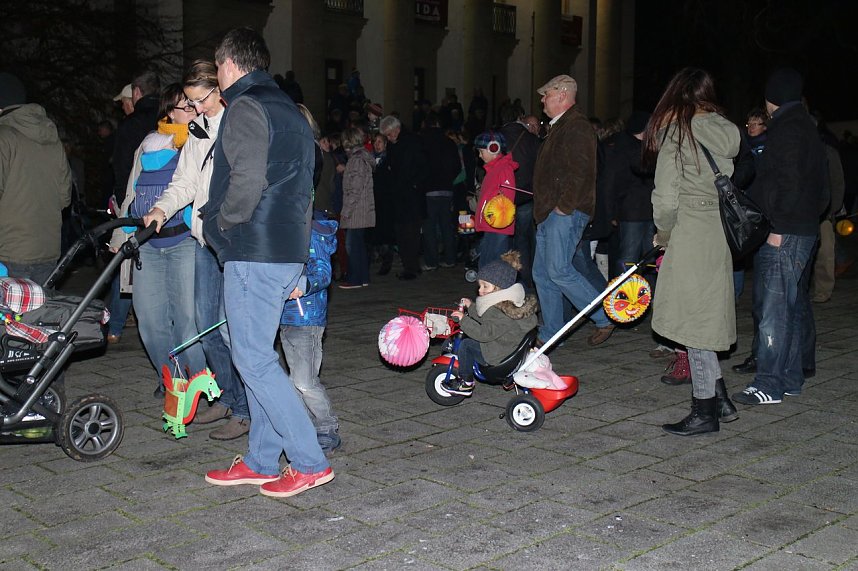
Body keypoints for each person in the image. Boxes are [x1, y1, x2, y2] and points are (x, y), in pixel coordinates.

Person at [201, 27, 332, 497]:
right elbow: (303, 191)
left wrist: (222, 223)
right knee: (257, 355)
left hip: (254, 249)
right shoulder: (291, 112)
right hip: (283, 249)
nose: (218, 76)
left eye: (217, 68)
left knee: (252, 358)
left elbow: (246, 181)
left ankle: (308, 460)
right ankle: (261, 458)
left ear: (230, 64)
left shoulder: (245, 107)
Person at [143, 60, 251, 440]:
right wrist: (161, 207)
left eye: (199, 100)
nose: (196, 109)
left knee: (232, 329)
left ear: (219, 87)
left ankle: (245, 409)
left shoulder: (240, 123)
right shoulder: (198, 129)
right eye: (189, 102)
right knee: (206, 329)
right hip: (205, 241)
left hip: (235, 242)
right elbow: (185, 181)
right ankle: (226, 396)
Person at [642, 67, 740, 436]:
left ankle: (704, 413)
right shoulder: (725, 129)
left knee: (694, 324)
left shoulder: (679, 133)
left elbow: (666, 196)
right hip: (716, 231)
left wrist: (663, 233)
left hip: (689, 232)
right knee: (706, 315)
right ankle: (721, 398)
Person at [733, 68, 828, 406]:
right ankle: (790, 377)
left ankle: (769, 384)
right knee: (791, 305)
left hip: (785, 231)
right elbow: (821, 189)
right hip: (802, 228)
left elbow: (787, 182)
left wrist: (778, 227)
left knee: (774, 309)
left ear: (771, 99)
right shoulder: (806, 128)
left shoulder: (786, 130)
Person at [110, 84, 204, 397]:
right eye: (185, 107)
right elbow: (131, 193)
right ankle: (172, 378)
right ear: (168, 113)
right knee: (150, 322)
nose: (193, 112)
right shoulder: (148, 146)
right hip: (147, 246)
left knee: (187, 321)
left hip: (184, 243)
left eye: (194, 106)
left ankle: (201, 381)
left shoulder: (199, 143)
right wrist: (119, 234)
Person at [531, 74, 615, 347]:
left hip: (563, 213)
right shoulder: (560, 127)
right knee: (543, 274)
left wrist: (563, 208)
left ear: (563, 94)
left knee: (559, 270)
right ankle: (552, 332)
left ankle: (603, 317)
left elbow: (581, 172)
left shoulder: (576, 126)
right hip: (550, 213)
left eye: (547, 94)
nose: (542, 100)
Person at [0, 72, 72, 285]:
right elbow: (65, 198)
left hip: (9, 251)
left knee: (9, 317)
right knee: (38, 316)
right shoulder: (53, 140)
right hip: (48, 250)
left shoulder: (4, 137)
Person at [279, 213, 341, 453]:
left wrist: (301, 286)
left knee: (305, 381)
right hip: (284, 317)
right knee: (294, 380)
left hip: (307, 318)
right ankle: (304, 427)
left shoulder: (311, 233)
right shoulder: (282, 228)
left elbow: (323, 272)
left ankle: (327, 427)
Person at [442, 250, 538, 396]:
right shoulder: (505, 304)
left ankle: (466, 382)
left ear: (499, 287)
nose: (480, 290)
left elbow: (484, 334)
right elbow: (486, 318)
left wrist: (464, 320)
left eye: (485, 286)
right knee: (472, 335)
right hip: (506, 346)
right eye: (480, 286)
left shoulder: (499, 312)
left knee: (466, 345)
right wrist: (472, 307)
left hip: (499, 355)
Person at [499, 107, 541, 291]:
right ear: (520, 119)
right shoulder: (531, 140)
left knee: (501, 237)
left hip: (501, 195)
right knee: (523, 240)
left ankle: (501, 278)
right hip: (525, 195)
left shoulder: (497, 137)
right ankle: (524, 280)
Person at [379, 115, 425, 280]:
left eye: (390, 134)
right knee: (402, 232)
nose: (389, 138)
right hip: (399, 196)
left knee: (410, 233)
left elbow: (417, 167)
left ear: (396, 129)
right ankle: (410, 266)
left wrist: (413, 185)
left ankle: (411, 267)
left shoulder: (411, 142)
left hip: (410, 196)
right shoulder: (395, 145)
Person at [419, 112, 461, 271]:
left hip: (428, 190)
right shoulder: (448, 143)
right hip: (446, 189)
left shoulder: (423, 142)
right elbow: (457, 165)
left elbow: (419, 165)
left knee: (429, 227)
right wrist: (448, 179)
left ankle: (431, 261)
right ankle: (450, 258)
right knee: (446, 226)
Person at [473, 131, 518, 269]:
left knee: (494, 265)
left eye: (481, 151)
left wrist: (496, 219)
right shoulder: (493, 169)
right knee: (487, 263)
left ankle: (496, 289)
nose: (479, 155)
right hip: (492, 225)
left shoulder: (503, 169)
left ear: (494, 148)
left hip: (498, 226)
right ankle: (490, 289)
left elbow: (507, 198)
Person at [338, 127, 375, 289]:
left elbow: (355, 188)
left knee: (352, 245)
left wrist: (346, 211)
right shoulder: (360, 158)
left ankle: (355, 279)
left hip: (357, 211)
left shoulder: (357, 160)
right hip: (361, 209)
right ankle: (363, 277)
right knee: (358, 245)